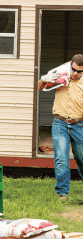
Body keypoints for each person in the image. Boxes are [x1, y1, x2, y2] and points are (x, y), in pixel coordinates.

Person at [39, 53, 83, 201]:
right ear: (71, 65)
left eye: (79, 71)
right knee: (61, 159)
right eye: (74, 70)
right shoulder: (61, 75)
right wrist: (43, 79)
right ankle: (63, 194)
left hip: (79, 124)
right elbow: (40, 87)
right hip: (60, 123)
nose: (75, 73)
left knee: (81, 157)